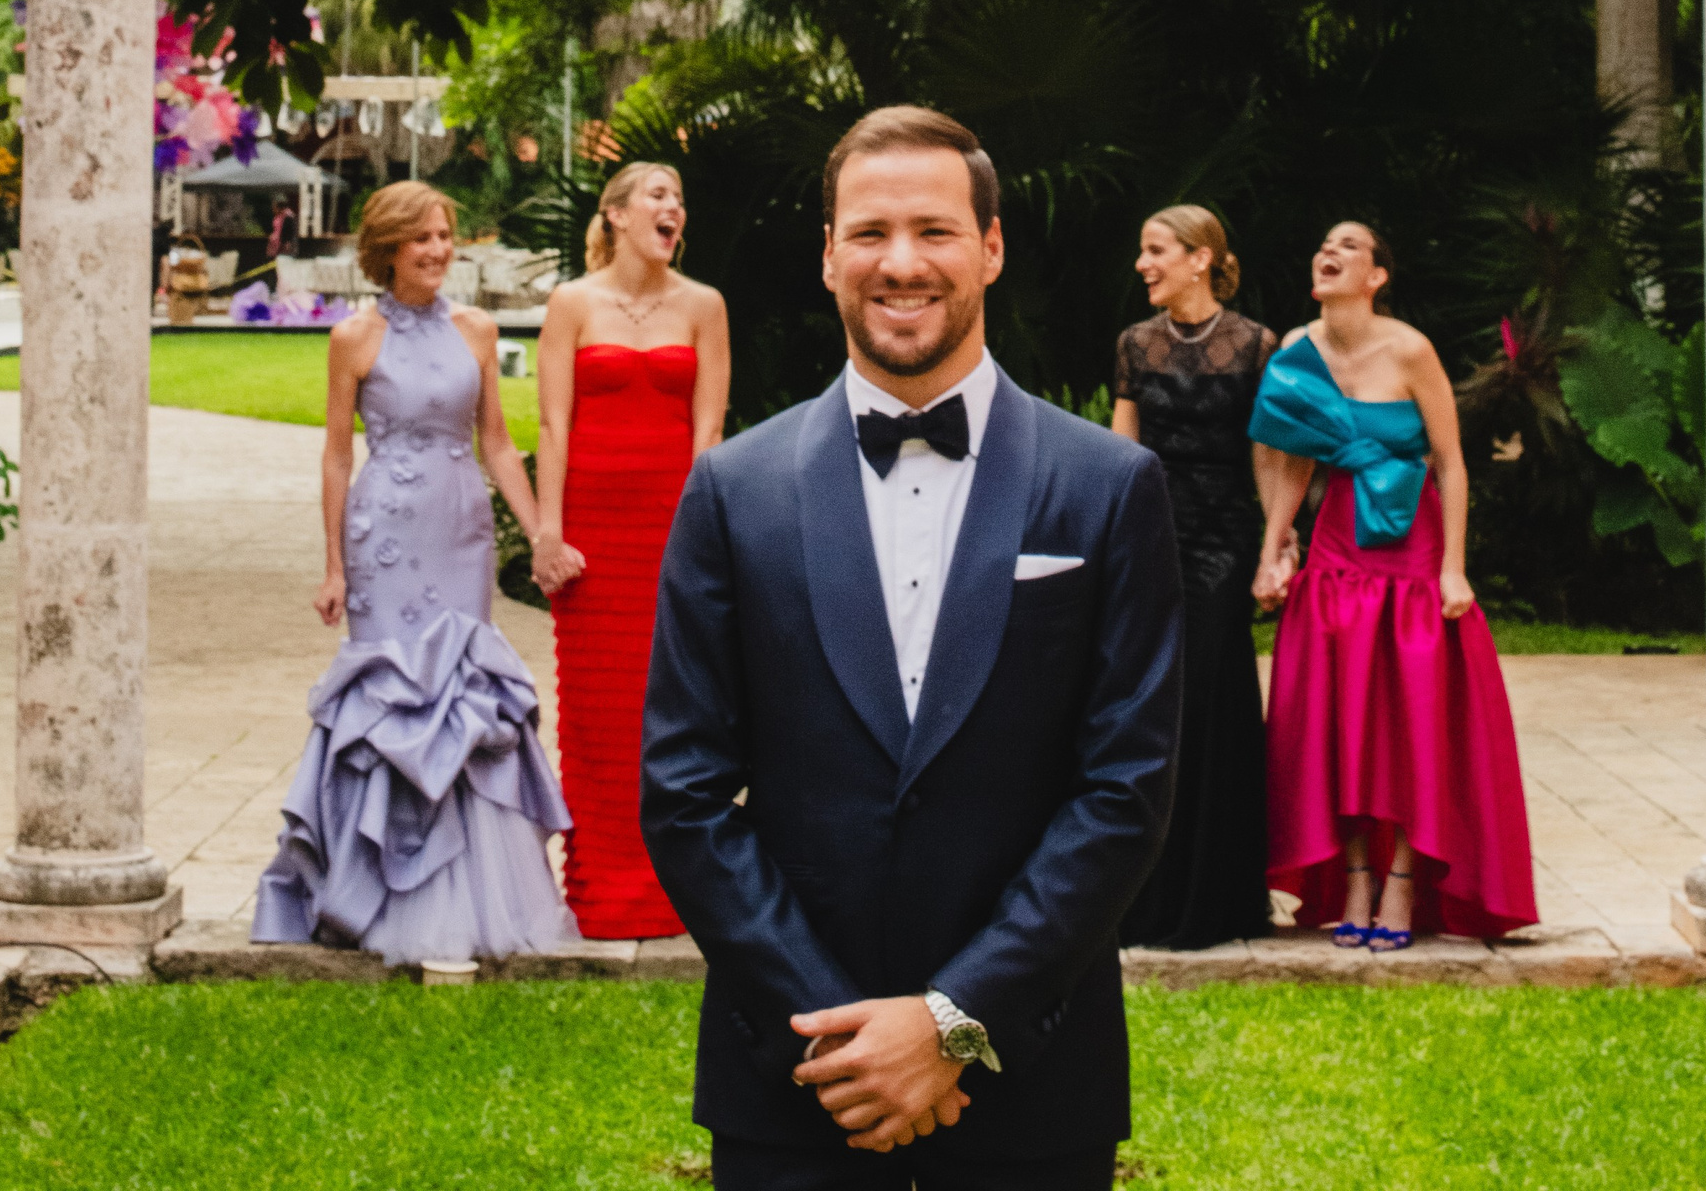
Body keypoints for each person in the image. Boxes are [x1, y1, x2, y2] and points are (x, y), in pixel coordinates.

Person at [641, 104, 1183, 1191]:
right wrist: (839, 1038)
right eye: (870, 232)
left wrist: (952, 1021)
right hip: (798, 1082)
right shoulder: (733, 491)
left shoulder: (1110, 486)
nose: (901, 262)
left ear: (991, 246)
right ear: (828, 254)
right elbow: (685, 791)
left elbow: (1126, 788)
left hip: (1032, 1084)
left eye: (935, 229)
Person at [252, 182, 577, 961]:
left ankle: (478, 893)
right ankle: (373, 887)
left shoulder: (478, 329)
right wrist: (333, 563)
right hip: (385, 538)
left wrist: (542, 532)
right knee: (393, 696)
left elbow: (497, 443)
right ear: (388, 248)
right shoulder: (353, 337)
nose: (437, 250)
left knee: (461, 691)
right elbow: (337, 454)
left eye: (444, 235)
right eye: (421, 237)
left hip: (459, 528)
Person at [1249, 218, 1537, 946]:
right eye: (1323, 243)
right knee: (1339, 715)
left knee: (1412, 719)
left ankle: (1403, 882)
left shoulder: (1411, 349)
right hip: (1337, 545)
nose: (1328, 250)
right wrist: (1273, 547)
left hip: (1413, 550)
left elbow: (1452, 462)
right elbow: (1293, 459)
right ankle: (1354, 879)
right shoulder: (1296, 349)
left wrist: (1453, 567)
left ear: (1377, 276)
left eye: (1348, 245)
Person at [532, 159, 730, 938]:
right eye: (657, 194)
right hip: (592, 534)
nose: (673, 206)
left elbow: (709, 431)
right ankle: (601, 888)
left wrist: (700, 535)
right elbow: (553, 423)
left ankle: (673, 885)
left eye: (678, 196)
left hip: (671, 528)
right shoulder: (571, 303)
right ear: (615, 214)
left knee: (673, 706)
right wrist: (549, 531)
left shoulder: (705, 305)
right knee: (596, 713)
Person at [1110, 204, 1275, 948]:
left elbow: (1269, 455)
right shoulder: (1134, 343)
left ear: (1200, 257)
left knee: (1209, 704)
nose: (1143, 264)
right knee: (1147, 707)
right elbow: (1122, 454)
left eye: (1156, 250)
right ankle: (1143, 893)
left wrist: (1274, 544)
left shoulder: (1256, 344)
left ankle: (1217, 898)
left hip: (1224, 545)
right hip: (1152, 540)